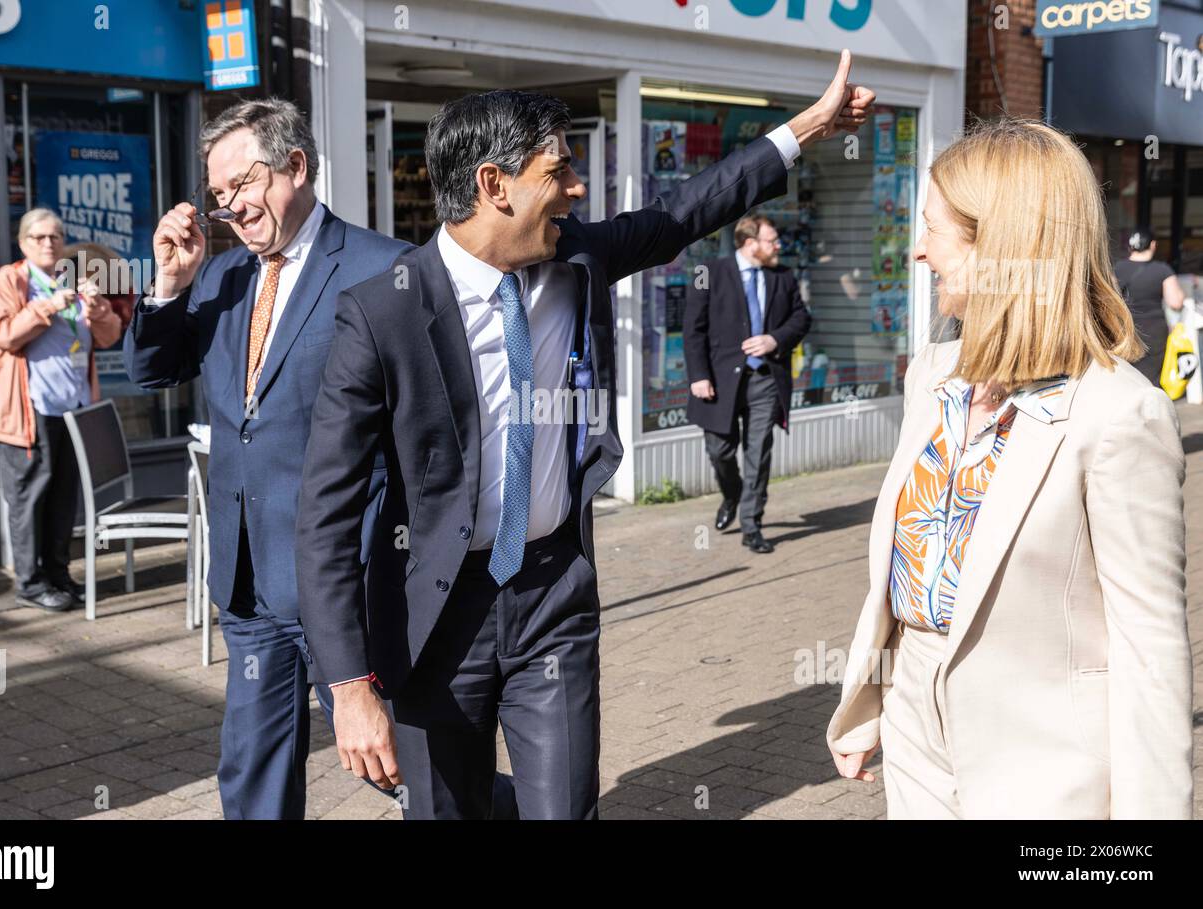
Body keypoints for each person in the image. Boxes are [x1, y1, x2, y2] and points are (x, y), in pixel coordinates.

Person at [295, 52, 875, 819]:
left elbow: (689, 210)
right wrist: (347, 688)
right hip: (432, 618)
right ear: (492, 186)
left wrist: (807, 127)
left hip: (552, 597)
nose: (576, 188)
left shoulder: (578, 258)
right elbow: (325, 511)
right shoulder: (382, 312)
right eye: (559, 170)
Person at [826, 119, 1193, 819]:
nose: (917, 251)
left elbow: (1151, 653)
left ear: (998, 246)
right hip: (914, 735)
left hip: (1045, 771)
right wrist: (871, 700)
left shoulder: (1118, 413)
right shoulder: (934, 374)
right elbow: (906, 575)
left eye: (933, 230)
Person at [123, 99, 411, 820]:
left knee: (397, 763)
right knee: (252, 773)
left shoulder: (385, 270)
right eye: (219, 196)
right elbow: (152, 372)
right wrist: (169, 286)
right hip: (248, 577)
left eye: (243, 185)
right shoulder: (219, 280)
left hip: (348, 578)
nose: (232, 209)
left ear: (296, 166)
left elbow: (425, 443)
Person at [0, 208, 122, 611]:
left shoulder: (72, 279)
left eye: (55, 236)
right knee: (29, 496)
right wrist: (47, 307)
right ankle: (30, 583)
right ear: (22, 243)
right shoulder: (7, 282)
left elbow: (109, 336)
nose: (49, 244)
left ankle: (58, 574)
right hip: (29, 409)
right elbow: (2, 337)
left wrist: (98, 308)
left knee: (64, 495)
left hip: (75, 409)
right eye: (39, 237)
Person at [683, 214, 811, 553]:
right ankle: (732, 494)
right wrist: (698, 375)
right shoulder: (707, 272)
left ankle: (752, 525)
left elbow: (801, 318)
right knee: (719, 451)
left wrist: (774, 339)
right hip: (718, 381)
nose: (779, 245)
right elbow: (692, 329)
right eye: (772, 240)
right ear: (750, 243)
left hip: (766, 378)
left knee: (759, 452)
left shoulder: (783, 276)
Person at [1113, 227, 1185, 385]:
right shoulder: (1162, 270)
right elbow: (1175, 302)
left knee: (1125, 376)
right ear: (1153, 245)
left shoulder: (1117, 268)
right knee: (1150, 380)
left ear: (1130, 246)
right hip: (1154, 330)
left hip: (1124, 328)